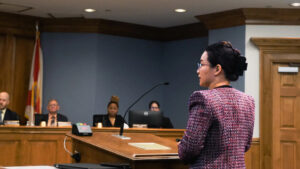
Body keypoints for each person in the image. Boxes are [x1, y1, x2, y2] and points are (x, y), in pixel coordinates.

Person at [178, 41, 255, 168]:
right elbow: (245, 145)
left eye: (202, 64)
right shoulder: (248, 100)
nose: (198, 70)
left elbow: (189, 149)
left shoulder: (203, 98)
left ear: (217, 69)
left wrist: (181, 147)